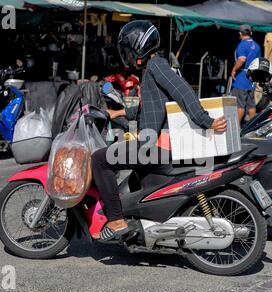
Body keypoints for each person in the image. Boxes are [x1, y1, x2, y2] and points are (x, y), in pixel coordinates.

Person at [91, 20, 227, 241]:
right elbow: (153, 108)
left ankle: (116, 222)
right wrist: (118, 113)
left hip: (155, 147)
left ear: (137, 47)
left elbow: (184, 92)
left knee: (99, 160)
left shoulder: (157, 66)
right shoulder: (154, 67)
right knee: (130, 180)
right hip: (154, 144)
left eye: (127, 49)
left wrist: (206, 121)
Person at [230, 24, 261, 123]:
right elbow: (258, 61)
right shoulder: (257, 46)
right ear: (251, 33)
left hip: (241, 79)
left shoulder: (242, 45)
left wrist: (234, 69)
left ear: (240, 33)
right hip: (251, 78)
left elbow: (241, 59)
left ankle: (237, 129)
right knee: (251, 105)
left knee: (239, 105)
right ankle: (252, 128)